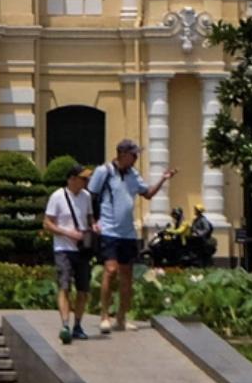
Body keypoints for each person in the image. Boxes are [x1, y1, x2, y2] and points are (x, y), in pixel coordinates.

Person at [87, 140, 173, 333]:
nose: (136, 158)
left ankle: (121, 317)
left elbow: (147, 194)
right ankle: (104, 316)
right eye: (133, 154)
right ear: (122, 154)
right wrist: (92, 221)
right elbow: (90, 196)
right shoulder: (104, 172)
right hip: (109, 229)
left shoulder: (133, 174)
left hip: (128, 232)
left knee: (127, 274)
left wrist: (163, 179)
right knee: (110, 270)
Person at [42, 162, 95, 343]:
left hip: (81, 249)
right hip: (63, 248)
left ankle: (78, 325)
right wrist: (67, 233)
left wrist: (93, 226)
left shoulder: (86, 197)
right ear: (72, 179)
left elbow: (89, 217)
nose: (86, 181)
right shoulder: (57, 196)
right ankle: (65, 324)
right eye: (83, 178)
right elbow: (47, 223)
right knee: (64, 286)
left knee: (83, 290)